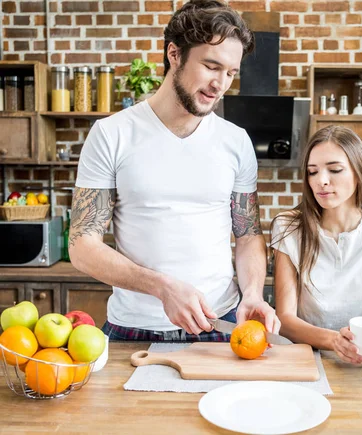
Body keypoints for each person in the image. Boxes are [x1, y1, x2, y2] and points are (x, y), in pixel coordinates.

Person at [69, 0, 279, 341]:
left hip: (220, 323)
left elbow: (248, 234)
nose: (220, 84)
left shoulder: (236, 142)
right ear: (175, 54)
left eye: (231, 73)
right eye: (211, 66)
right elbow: (81, 245)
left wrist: (253, 293)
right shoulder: (112, 134)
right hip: (133, 328)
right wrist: (161, 287)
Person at [270, 126, 362, 365]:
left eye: (335, 170)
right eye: (312, 172)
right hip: (308, 359)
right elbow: (285, 319)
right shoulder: (288, 227)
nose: (321, 181)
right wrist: (334, 340)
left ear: (359, 173)